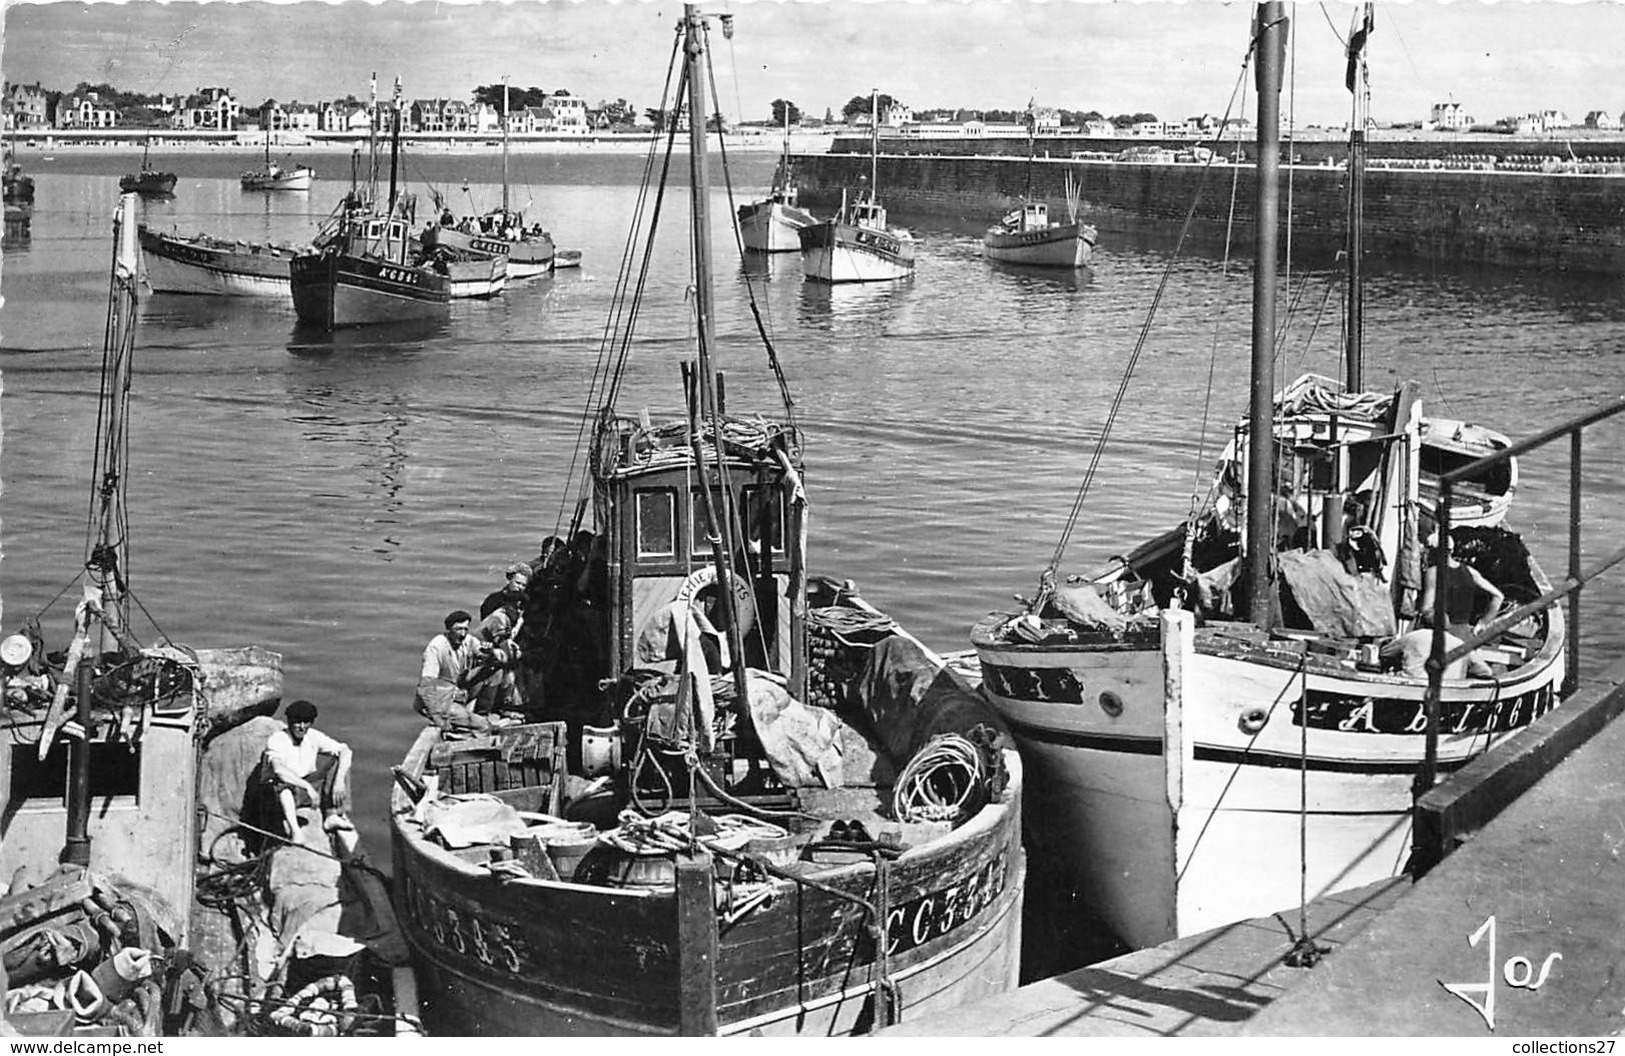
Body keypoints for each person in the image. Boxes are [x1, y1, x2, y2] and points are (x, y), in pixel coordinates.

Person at [261, 699, 352, 845]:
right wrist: (307, 787)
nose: (302, 727)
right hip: (279, 796)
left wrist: (339, 780)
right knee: (282, 785)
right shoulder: (277, 739)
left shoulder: (313, 736)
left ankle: (331, 815)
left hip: (303, 789)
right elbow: (279, 770)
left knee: (338, 760)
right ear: (290, 722)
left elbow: (345, 750)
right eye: (297, 722)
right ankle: (295, 832)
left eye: (306, 722)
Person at [414, 609, 492, 732]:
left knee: (494, 668)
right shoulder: (436, 647)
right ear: (449, 629)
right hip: (441, 700)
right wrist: (437, 716)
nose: (462, 634)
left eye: (465, 629)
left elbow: (482, 653)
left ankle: (481, 711)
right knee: (483, 725)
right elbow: (426, 686)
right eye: (458, 629)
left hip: (457, 691)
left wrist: (489, 652)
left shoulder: (467, 640)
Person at [1417, 531, 1504, 639]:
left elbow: (1426, 609)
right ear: (1451, 550)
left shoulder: (1433, 572)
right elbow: (1499, 596)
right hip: (1466, 635)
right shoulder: (1470, 571)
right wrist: (1482, 623)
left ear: (1435, 551)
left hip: (1443, 636)